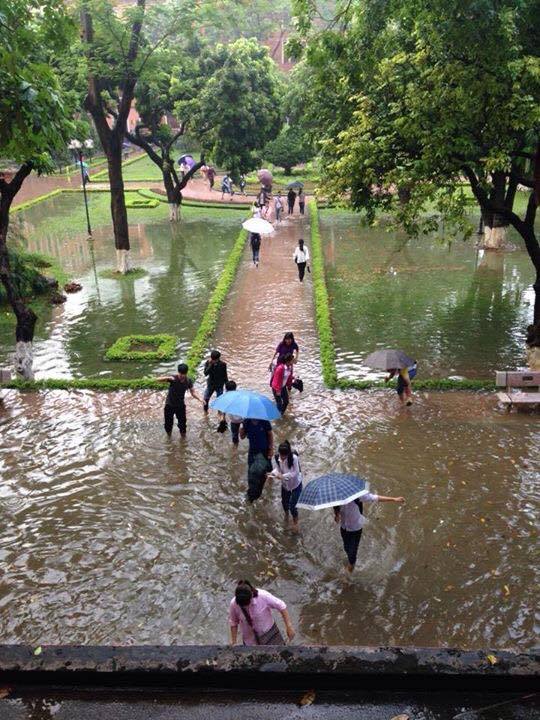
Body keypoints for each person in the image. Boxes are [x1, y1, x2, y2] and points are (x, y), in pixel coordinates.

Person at [334, 492, 405, 573]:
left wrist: (394, 499)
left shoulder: (356, 495)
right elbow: (337, 512)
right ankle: (350, 562)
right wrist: (337, 516)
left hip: (356, 529)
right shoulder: (336, 499)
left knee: (352, 554)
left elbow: (374, 497)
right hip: (344, 528)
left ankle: (348, 573)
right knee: (347, 548)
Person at [229, 580, 295, 646]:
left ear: (251, 595)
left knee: (280, 654)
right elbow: (234, 622)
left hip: (270, 634)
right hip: (250, 640)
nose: (246, 607)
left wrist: (289, 626)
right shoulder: (234, 604)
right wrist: (234, 641)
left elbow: (281, 606)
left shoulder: (263, 596)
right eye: (243, 606)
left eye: (247, 604)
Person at [157, 363, 203, 437]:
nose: (182, 376)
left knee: (183, 425)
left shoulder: (188, 381)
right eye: (180, 374)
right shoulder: (173, 378)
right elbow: (157, 379)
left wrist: (200, 399)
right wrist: (168, 378)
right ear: (178, 372)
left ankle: (183, 442)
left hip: (180, 406)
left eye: (183, 374)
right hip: (169, 405)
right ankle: (169, 438)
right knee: (168, 425)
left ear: (186, 373)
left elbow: (193, 392)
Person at [268, 441, 303, 531]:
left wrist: (283, 476)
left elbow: (296, 472)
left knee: (293, 506)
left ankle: (296, 522)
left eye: (284, 456)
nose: (282, 458)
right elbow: (278, 469)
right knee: (284, 503)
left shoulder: (294, 458)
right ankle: (286, 516)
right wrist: (273, 473)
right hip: (285, 485)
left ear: (288, 454)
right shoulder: (276, 457)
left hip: (296, 484)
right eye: (281, 455)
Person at [224, 380, 242, 445]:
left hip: (234, 421)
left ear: (226, 389)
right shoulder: (240, 395)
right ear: (235, 388)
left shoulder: (226, 398)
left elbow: (224, 409)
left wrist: (223, 419)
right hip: (243, 418)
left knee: (234, 436)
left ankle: (235, 448)